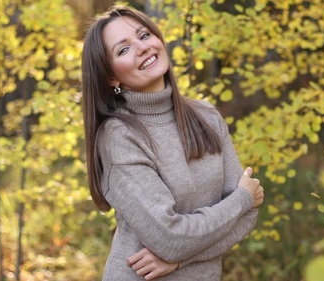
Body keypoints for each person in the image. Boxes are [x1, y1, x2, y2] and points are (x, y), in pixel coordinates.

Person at [81, 5, 264, 281]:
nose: (142, 47)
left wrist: (179, 260)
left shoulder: (207, 117)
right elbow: (170, 238)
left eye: (143, 36)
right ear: (111, 77)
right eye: (123, 49)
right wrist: (241, 199)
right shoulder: (119, 137)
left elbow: (249, 217)